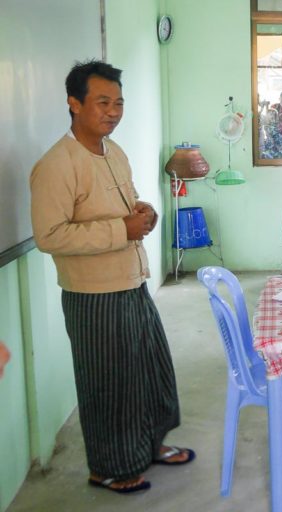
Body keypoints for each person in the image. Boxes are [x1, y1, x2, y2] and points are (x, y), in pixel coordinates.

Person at [29, 60, 193, 494]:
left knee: (149, 370)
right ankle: (109, 467)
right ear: (73, 103)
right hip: (93, 294)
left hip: (131, 280)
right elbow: (49, 236)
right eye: (103, 102)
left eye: (118, 102)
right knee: (108, 382)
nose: (113, 111)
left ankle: (150, 445)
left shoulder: (112, 151)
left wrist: (145, 213)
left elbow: (130, 203)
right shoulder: (57, 164)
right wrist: (122, 229)